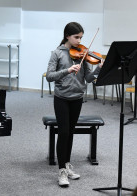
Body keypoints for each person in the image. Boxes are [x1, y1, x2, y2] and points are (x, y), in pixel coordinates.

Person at [46, 22, 103, 187]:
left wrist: (98, 69)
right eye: (76, 37)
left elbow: (88, 78)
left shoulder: (82, 54)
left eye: (81, 37)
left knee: (70, 132)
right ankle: (61, 171)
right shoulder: (56, 53)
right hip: (62, 98)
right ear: (67, 36)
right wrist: (67, 70)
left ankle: (67, 164)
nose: (79, 41)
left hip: (77, 97)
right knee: (63, 133)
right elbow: (49, 76)